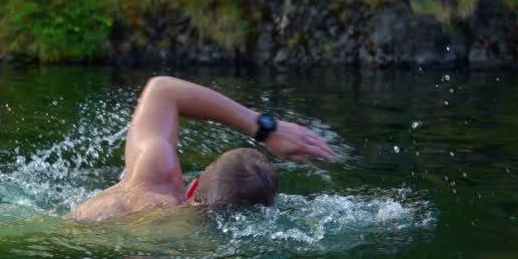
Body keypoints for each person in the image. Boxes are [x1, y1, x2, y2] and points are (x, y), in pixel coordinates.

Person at [70, 76, 334, 221]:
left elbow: (162, 89)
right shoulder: (188, 242)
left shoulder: (150, 177)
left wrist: (265, 128)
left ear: (192, 187)